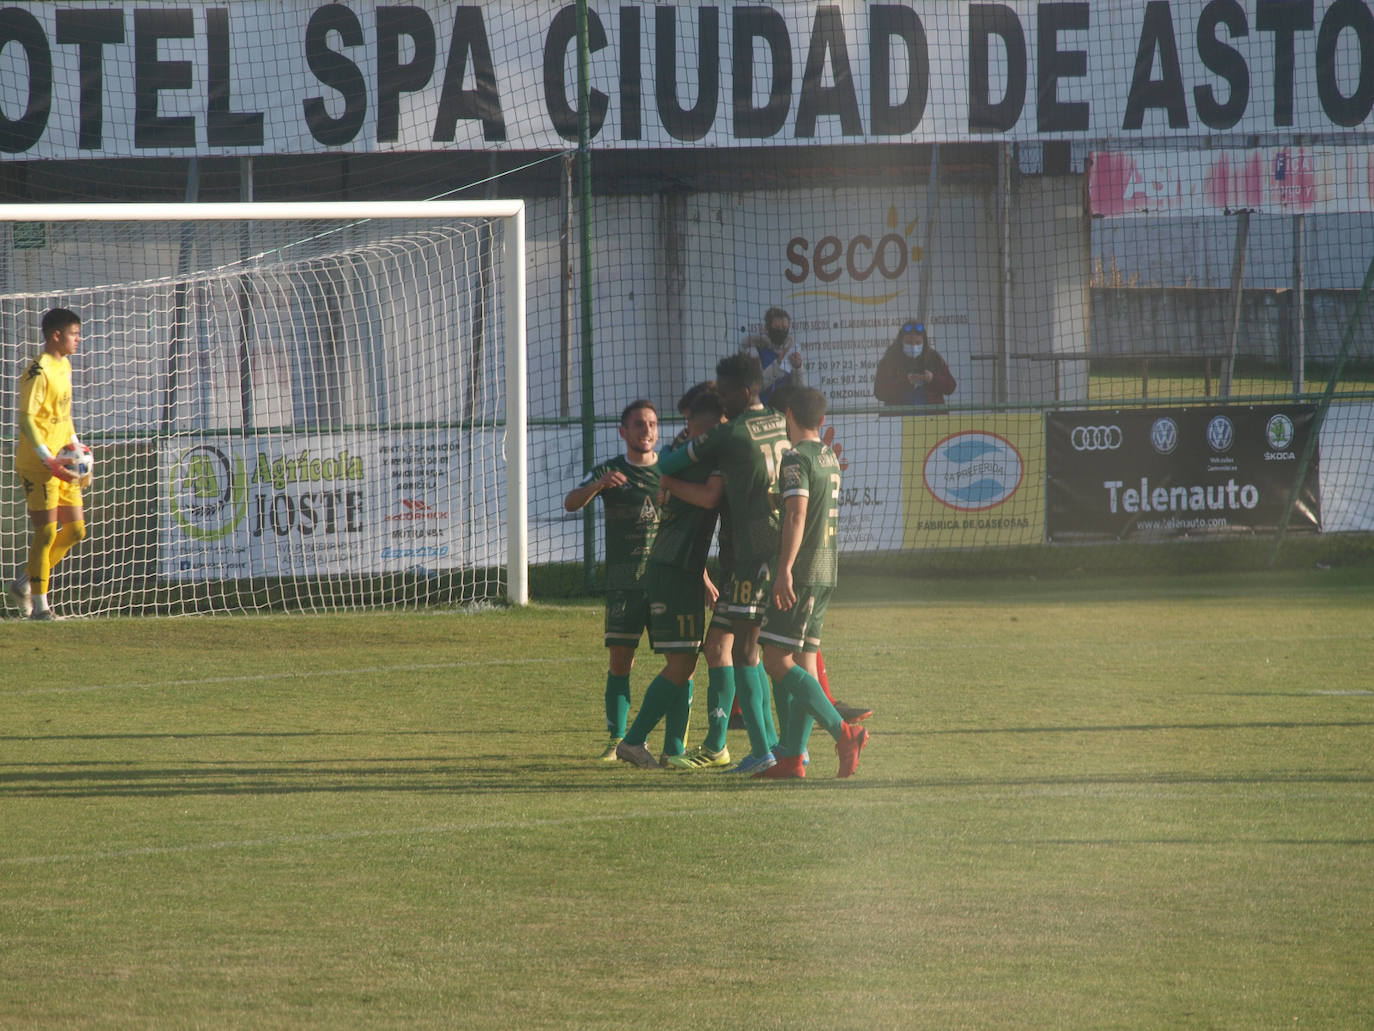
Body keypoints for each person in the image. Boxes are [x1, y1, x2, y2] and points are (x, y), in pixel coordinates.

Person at [656, 353, 787, 774]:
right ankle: (748, 747)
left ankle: (765, 750)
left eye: (725, 391)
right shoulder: (780, 423)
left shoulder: (731, 433)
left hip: (751, 555)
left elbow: (669, 463)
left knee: (746, 651)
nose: (721, 397)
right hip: (770, 549)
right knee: (726, 647)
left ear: (744, 392)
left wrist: (676, 463)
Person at [756, 386, 869, 779]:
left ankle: (844, 734)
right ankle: (791, 758)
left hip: (802, 573)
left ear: (788, 414)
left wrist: (784, 569)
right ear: (821, 419)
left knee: (775, 658)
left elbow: (797, 516)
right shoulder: (828, 458)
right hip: (826, 571)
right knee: (804, 660)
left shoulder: (795, 457)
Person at [615, 390, 727, 769]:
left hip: (685, 566)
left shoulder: (688, 449)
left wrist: (703, 574)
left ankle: (673, 750)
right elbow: (709, 498)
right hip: (673, 566)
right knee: (680, 665)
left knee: (687, 662)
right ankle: (632, 741)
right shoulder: (697, 451)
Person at [563, 400, 661, 760]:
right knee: (621, 661)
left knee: (681, 663)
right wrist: (600, 484)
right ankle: (617, 741)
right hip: (624, 582)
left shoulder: (670, 470)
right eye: (638, 424)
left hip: (665, 581)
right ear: (623, 432)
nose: (646, 430)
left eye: (651, 424)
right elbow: (571, 502)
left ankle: (675, 744)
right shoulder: (610, 470)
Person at [8, 308, 91, 622]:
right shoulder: (37, 371)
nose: (78, 339)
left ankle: (23, 583)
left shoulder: (65, 365)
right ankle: (40, 609)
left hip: (64, 462)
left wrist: (78, 451)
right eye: (74, 334)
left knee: (76, 531)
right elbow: (27, 420)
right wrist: (49, 459)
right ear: (56, 335)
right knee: (45, 532)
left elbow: (64, 414)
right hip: (39, 465)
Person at [873, 320, 956, 408]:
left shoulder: (934, 357)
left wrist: (932, 378)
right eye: (909, 343)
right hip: (898, 417)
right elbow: (880, 392)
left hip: (931, 417)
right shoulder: (890, 359)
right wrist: (906, 381)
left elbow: (950, 387)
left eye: (918, 343)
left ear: (924, 343)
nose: (914, 346)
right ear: (901, 342)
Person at [740, 306, 803, 407]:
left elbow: (800, 390)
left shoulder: (792, 349)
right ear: (767, 328)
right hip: (762, 411)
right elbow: (755, 387)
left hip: (786, 411)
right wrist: (778, 364)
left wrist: (798, 368)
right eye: (777, 328)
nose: (781, 331)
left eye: (785, 328)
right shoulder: (754, 349)